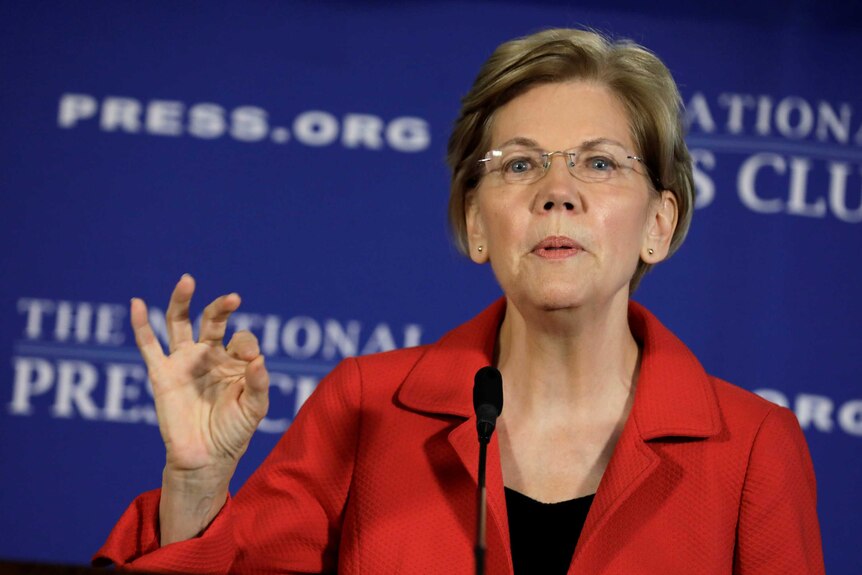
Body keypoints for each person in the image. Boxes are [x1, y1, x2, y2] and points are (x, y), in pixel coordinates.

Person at [94, 28, 825, 574]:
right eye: (520, 164)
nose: (557, 190)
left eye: (599, 162)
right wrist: (194, 484)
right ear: (477, 224)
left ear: (659, 224)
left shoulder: (754, 447)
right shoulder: (364, 407)